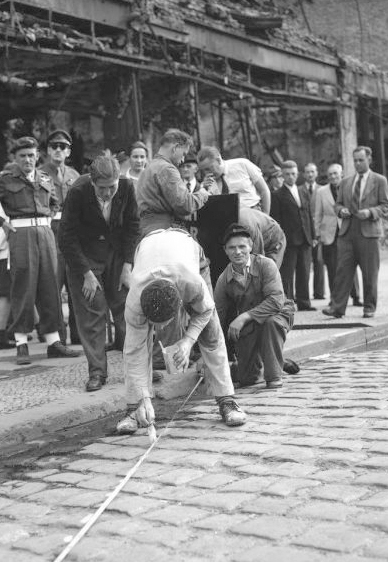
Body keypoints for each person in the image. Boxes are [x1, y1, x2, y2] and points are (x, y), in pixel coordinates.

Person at [116, 228, 247, 434]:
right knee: (135, 346)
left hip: (187, 248)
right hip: (148, 246)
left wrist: (187, 341)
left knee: (211, 334)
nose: (159, 329)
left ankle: (227, 400)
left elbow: (205, 310)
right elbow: (134, 351)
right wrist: (142, 397)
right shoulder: (134, 302)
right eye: (154, 324)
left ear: (178, 308)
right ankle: (134, 409)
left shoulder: (191, 283)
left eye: (163, 323)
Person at [58, 152, 139, 391]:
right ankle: (97, 372)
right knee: (92, 313)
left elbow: (134, 226)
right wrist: (86, 273)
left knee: (127, 309)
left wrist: (127, 265)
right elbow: (66, 237)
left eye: (111, 187)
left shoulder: (126, 187)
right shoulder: (78, 191)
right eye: (101, 188)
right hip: (84, 255)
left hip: (116, 254)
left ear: (118, 180)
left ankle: (137, 369)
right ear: (92, 182)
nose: (107, 193)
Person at [0, 136, 80, 365]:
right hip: (20, 234)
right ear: (15, 158)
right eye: (23, 156)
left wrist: (47, 216)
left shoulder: (45, 177)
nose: (28, 160)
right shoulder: (5, 180)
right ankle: (21, 343)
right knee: (23, 287)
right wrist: (3, 223)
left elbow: (55, 203)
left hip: (45, 234)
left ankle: (54, 342)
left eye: (31, 155)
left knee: (49, 286)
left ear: (38, 156)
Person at [214, 224, 295, 389]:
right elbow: (217, 317)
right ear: (225, 250)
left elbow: (276, 300)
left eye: (242, 246)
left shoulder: (266, 265)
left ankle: (274, 376)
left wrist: (243, 317)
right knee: (246, 379)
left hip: (278, 314)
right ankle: (273, 359)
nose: (237, 252)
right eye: (232, 248)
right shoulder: (223, 279)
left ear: (250, 246)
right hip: (249, 326)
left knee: (271, 323)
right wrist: (208, 355)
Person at [323, 146, 388, 319]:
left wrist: (371, 212)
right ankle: (337, 308)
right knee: (343, 271)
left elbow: (385, 206)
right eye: (355, 161)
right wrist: (341, 210)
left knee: (369, 273)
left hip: (369, 232)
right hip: (347, 232)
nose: (357, 163)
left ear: (369, 159)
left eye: (361, 160)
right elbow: (337, 204)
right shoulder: (345, 182)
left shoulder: (379, 180)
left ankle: (369, 307)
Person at [40, 129, 80, 345]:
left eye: (62, 147)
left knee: (76, 284)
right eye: (54, 146)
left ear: (68, 151)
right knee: (52, 286)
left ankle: (77, 333)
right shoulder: (39, 174)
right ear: (47, 150)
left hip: (72, 234)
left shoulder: (74, 175)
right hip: (50, 231)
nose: (58, 150)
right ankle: (56, 337)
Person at [136, 129, 209, 236]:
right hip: (164, 230)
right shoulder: (167, 169)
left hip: (145, 229)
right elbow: (185, 204)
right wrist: (203, 193)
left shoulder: (148, 168)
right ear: (175, 148)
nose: (183, 159)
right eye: (183, 154)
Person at [270, 160, 316, 311]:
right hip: (288, 240)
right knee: (287, 274)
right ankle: (288, 303)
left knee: (304, 272)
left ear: (298, 174)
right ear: (283, 175)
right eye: (288, 174)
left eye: (294, 174)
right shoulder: (277, 195)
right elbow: (276, 220)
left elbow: (308, 215)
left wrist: (313, 235)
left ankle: (304, 302)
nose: (291, 177)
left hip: (305, 238)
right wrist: (279, 241)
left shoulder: (303, 191)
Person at [315, 163, 362, 306]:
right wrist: (318, 234)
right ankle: (335, 299)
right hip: (329, 234)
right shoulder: (321, 192)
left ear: (341, 174)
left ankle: (356, 296)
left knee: (351, 265)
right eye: (330, 175)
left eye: (335, 173)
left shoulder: (350, 187)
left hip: (348, 231)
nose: (333, 177)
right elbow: (318, 214)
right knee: (332, 268)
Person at [197, 146, 271, 214]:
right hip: (227, 220)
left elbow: (264, 190)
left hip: (253, 212)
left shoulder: (242, 164)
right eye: (203, 171)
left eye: (208, 168)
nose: (206, 173)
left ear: (218, 160)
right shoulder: (206, 184)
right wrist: (204, 190)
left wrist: (266, 216)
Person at [302, 163, 325, 300]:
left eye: (312, 171)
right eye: (307, 172)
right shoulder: (298, 190)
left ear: (316, 173)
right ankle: (303, 294)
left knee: (319, 261)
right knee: (304, 264)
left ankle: (319, 292)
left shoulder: (323, 190)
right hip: (304, 231)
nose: (310, 174)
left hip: (319, 229)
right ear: (303, 174)